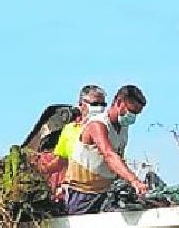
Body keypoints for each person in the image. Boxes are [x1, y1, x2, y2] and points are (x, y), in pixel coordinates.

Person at [61, 84, 152, 215]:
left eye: (136, 113)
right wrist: (134, 181)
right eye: (130, 111)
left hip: (105, 193)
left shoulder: (123, 129)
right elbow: (109, 155)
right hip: (82, 194)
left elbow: (119, 160)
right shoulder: (98, 125)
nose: (132, 117)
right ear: (118, 102)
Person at [33, 84, 106, 195]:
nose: (100, 108)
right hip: (76, 192)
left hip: (100, 189)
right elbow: (62, 161)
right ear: (81, 105)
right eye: (95, 104)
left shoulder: (108, 129)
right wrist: (40, 170)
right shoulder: (69, 130)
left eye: (103, 104)